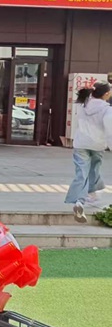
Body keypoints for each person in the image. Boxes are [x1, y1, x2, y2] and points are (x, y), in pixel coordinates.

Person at [65, 83, 112, 223]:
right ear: (106, 94)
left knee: (82, 172)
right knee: (95, 168)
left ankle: (80, 200)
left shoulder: (83, 105)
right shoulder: (107, 110)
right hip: (98, 144)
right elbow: (110, 130)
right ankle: (90, 194)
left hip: (81, 143)